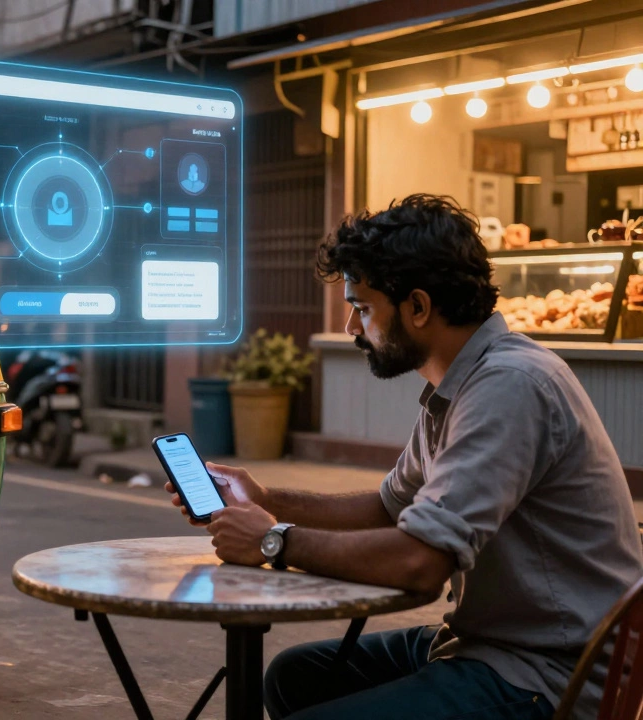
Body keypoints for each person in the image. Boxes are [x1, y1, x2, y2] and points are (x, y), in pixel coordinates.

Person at [167, 194, 643, 720]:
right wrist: (266, 499)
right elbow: (390, 508)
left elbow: (419, 564)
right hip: (489, 645)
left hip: (550, 677)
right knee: (294, 678)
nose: (352, 328)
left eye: (363, 308)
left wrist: (272, 540)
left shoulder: (509, 387)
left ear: (417, 307)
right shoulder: (461, 384)